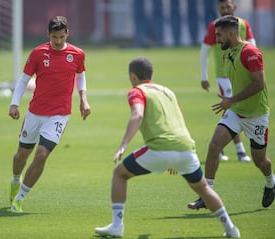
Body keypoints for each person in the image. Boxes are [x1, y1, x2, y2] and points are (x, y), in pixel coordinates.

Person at [94, 57, 240, 238]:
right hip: (186, 148)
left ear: (132, 76)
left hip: (159, 148)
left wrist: (124, 144)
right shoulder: (168, 91)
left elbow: (137, 115)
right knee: (203, 188)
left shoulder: (137, 91)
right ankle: (231, 229)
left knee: (119, 173)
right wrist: (176, 156)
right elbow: (179, 117)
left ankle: (117, 226)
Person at [188, 15, 275, 211]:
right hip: (236, 112)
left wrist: (231, 100)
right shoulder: (228, 53)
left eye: (219, 35)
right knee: (214, 146)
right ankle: (206, 196)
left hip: (256, 115)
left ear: (232, 33)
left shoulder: (250, 52)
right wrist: (229, 100)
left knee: (260, 161)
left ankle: (271, 183)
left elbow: (259, 84)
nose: (217, 39)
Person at [8, 16, 91, 213]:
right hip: (35, 112)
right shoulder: (38, 53)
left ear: (67, 34)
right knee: (21, 156)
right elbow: (23, 80)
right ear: (48, 34)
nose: (59, 41)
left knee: (42, 154)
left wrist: (83, 98)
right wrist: (14, 104)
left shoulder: (77, 54)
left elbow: (80, 75)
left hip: (59, 115)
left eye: (62, 37)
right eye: (55, 37)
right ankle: (15, 181)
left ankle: (19, 199)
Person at [199, 0, 254, 163]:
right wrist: (204, 76)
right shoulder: (215, 27)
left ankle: (220, 146)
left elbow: (252, 45)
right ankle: (240, 151)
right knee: (232, 109)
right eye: (222, 7)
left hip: (242, 74)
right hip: (224, 76)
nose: (225, 10)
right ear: (218, 8)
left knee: (235, 109)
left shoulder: (243, 24)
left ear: (234, 7)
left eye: (228, 6)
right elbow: (205, 50)